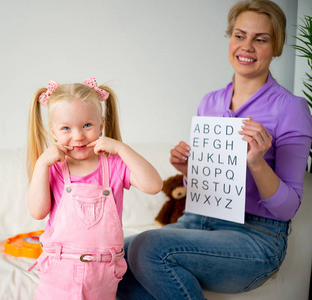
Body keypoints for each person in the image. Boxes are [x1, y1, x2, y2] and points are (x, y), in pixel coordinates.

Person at [116, 0, 312, 299]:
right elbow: (208, 188)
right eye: (239, 35)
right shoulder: (210, 102)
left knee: (149, 246)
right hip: (198, 221)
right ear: (230, 39)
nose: (246, 46)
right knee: (117, 255)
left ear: (276, 48)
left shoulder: (291, 109)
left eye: (260, 39)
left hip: (255, 237)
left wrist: (258, 163)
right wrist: (188, 171)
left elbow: (288, 208)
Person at [27, 78, 163, 300]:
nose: (78, 136)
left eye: (87, 125)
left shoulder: (114, 165)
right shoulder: (53, 168)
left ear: (101, 124)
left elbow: (154, 185)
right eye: (66, 128)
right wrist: (42, 164)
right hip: (59, 270)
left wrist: (121, 148)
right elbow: (37, 211)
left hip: (103, 273)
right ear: (53, 131)